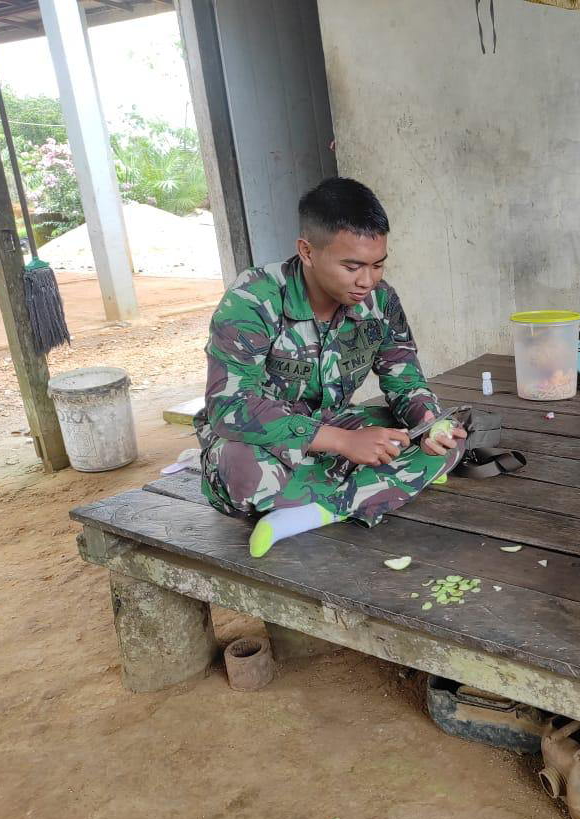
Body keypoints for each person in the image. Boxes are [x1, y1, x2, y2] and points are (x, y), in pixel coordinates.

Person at [194, 177, 466, 557]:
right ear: (307, 251)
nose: (367, 281)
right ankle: (374, 488)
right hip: (265, 443)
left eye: (377, 265)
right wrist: (343, 443)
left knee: (451, 442)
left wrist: (431, 426)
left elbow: (406, 383)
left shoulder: (381, 302)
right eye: (352, 266)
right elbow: (229, 407)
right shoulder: (254, 299)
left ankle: (310, 512)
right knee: (240, 470)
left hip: (335, 430)